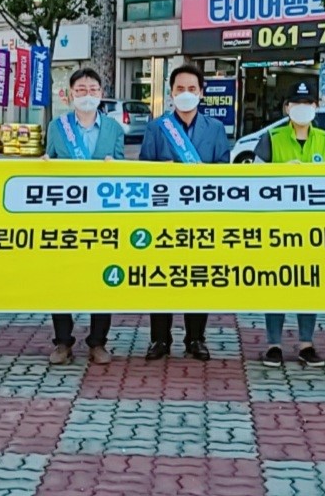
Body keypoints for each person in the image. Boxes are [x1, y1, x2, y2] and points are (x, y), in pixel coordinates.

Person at [139, 64, 231, 361]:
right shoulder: (157, 128)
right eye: (180, 89)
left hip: (201, 215)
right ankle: (159, 339)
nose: (186, 94)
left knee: (198, 277)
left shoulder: (215, 129)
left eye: (192, 89)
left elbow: (224, 170)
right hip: (164, 216)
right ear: (171, 93)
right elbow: (143, 170)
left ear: (201, 93)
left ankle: (196, 338)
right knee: (161, 277)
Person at [255, 79, 325, 369]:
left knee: (309, 282)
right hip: (278, 226)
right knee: (275, 282)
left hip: (314, 227)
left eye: (308, 103)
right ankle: (273, 344)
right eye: (296, 103)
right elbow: (253, 181)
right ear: (286, 108)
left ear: (316, 107)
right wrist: (280, 173)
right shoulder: (271, 138)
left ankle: (306, 344)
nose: (302, 108)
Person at [44, 68, 125, 366]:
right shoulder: (57, 127)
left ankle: (98, 341)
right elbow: (48, 162)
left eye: (92, 90)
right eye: (80, 90)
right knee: (60, 277)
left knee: (101, 278)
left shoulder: (114, 128)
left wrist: (115, 166)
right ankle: (62, 341)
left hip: (102, 215)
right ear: (70, 95)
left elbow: (123, 168)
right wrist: (44, 165)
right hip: (66, 215)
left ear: (101, 94)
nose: (87, 95)